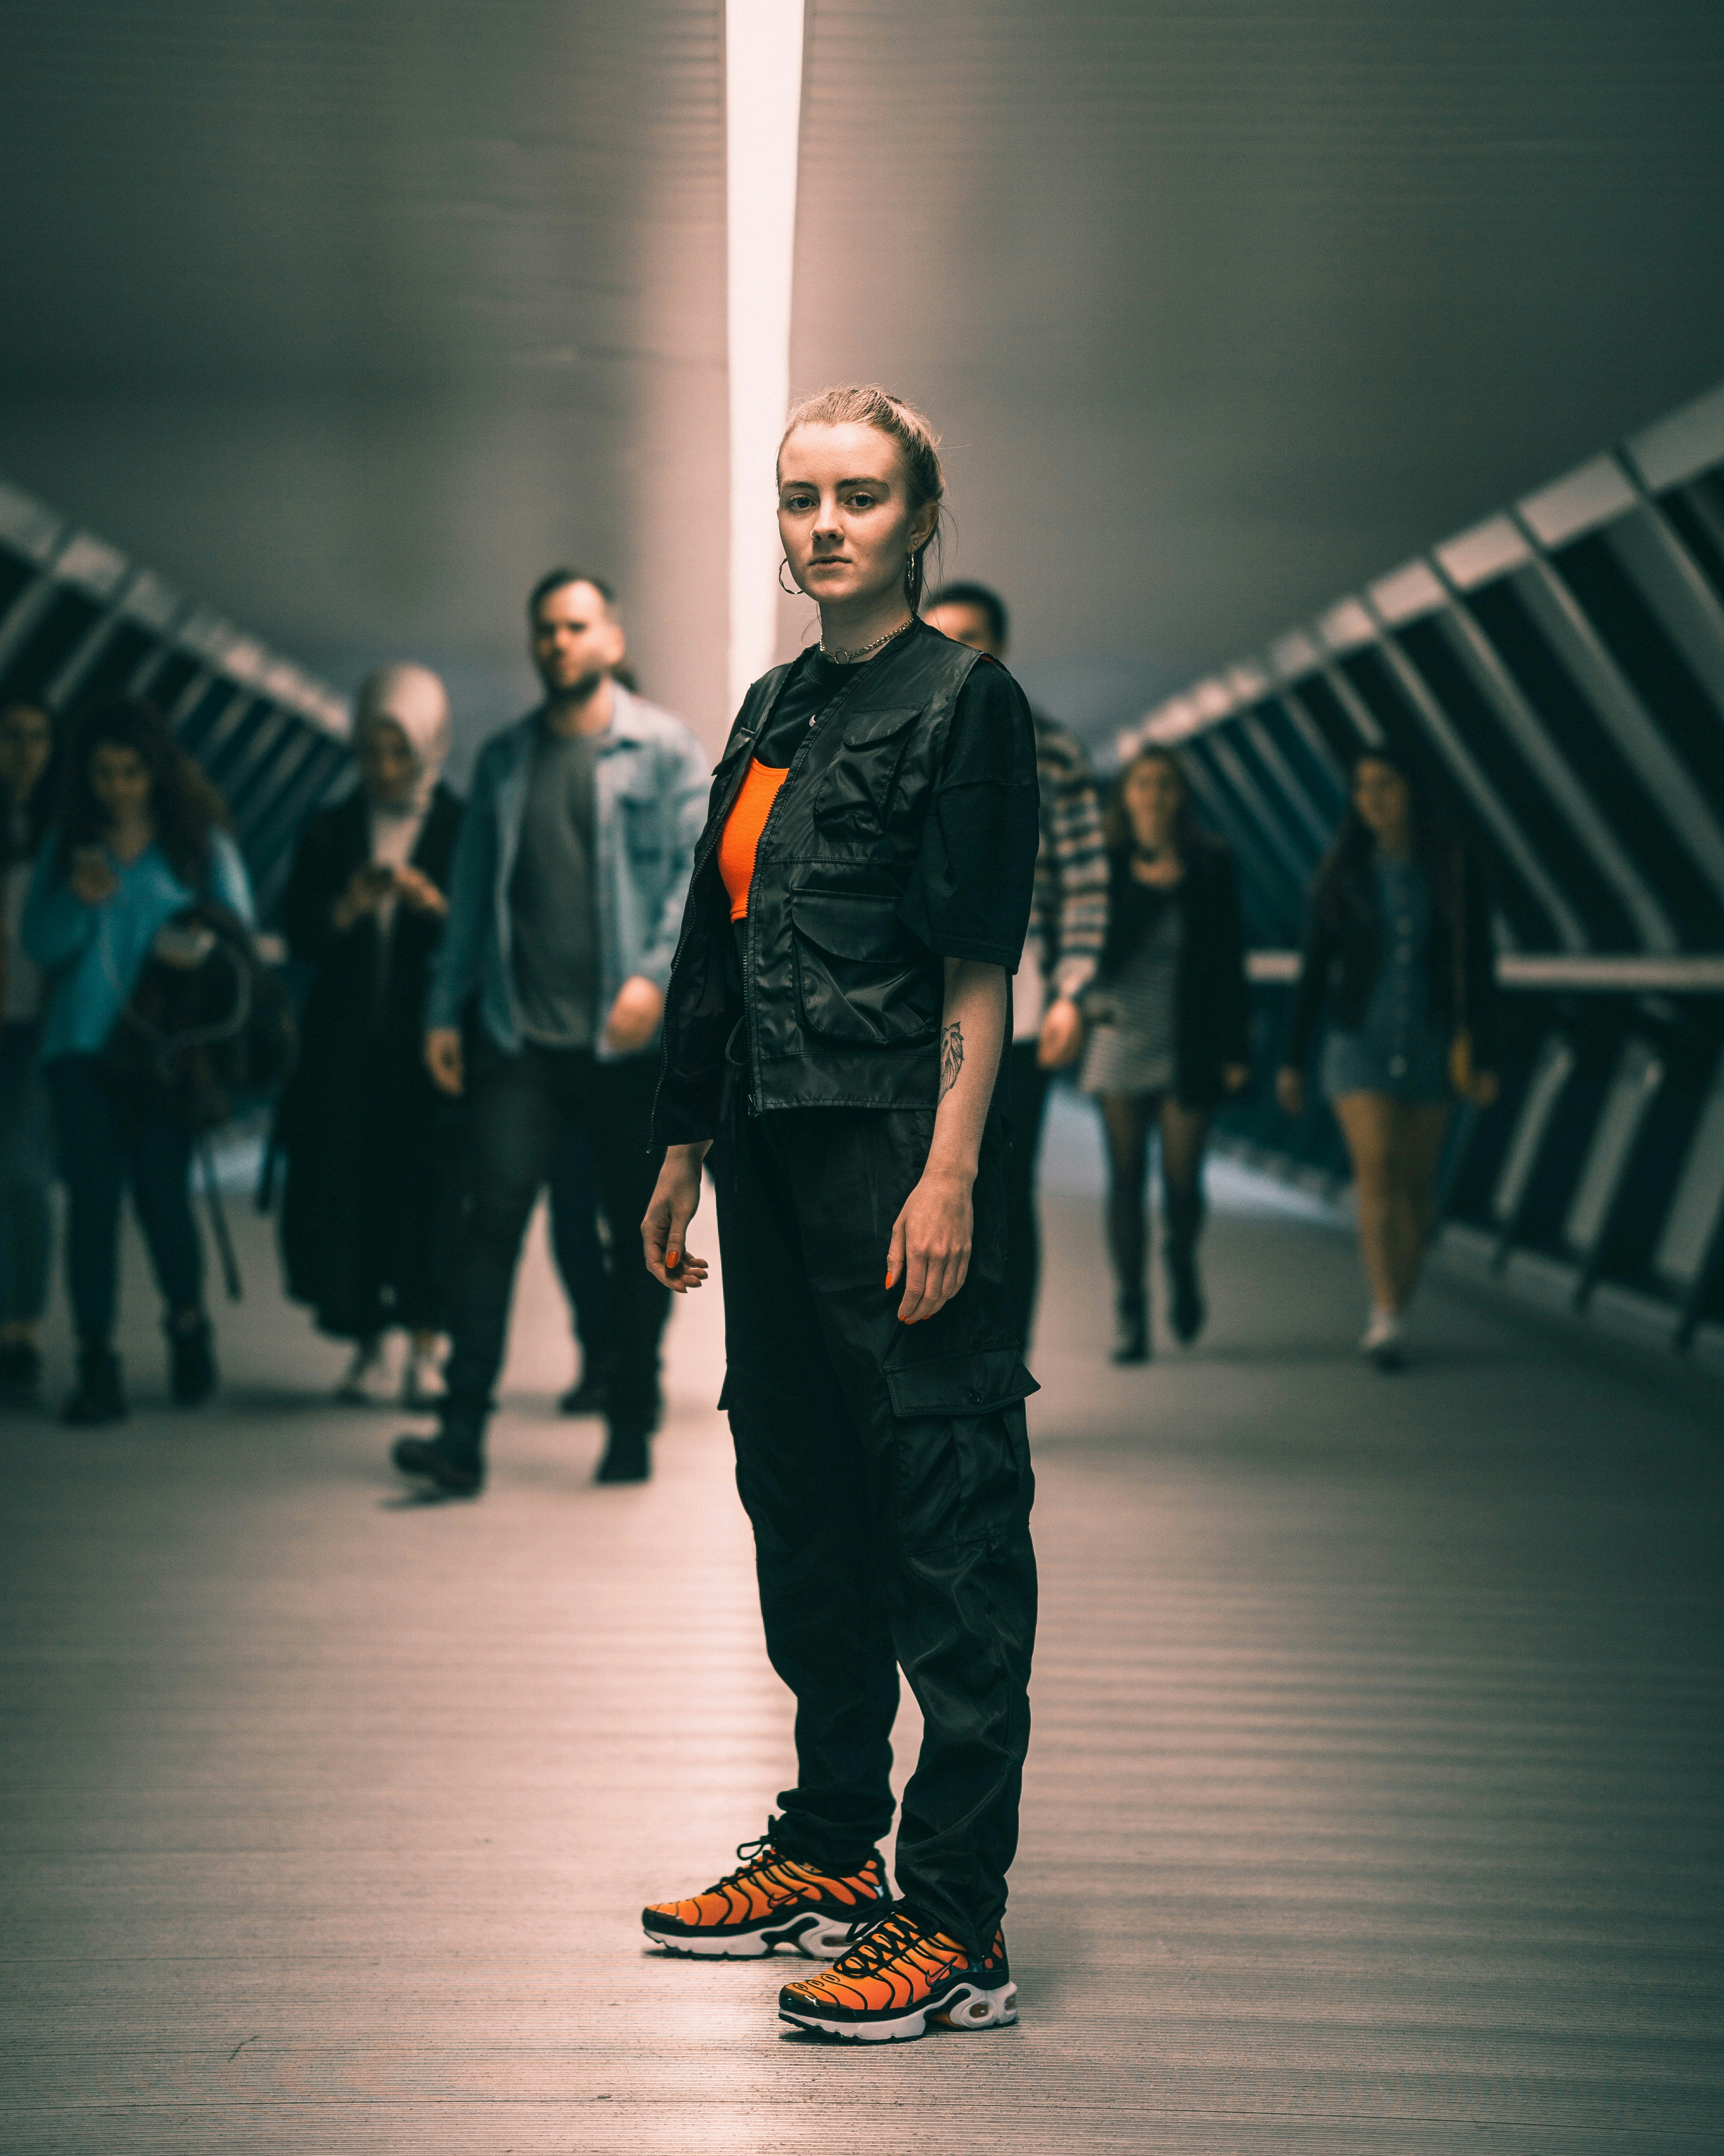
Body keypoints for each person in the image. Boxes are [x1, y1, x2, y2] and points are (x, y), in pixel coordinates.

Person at [639, 384, 1040, 2045]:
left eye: (861, 498)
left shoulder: (968, 706)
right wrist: (677, 1151)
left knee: (943, 1520)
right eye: (802, 497)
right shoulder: (772, 704)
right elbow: (712, 951)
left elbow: (976, 967)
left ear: (920, 517)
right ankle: (827, 1853)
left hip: (893, 1161)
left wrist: (950, 1173)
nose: (826, 526)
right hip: (764, 1154)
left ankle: (956, 1924)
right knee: (800, 1500)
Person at [389, 569, 707, 1492]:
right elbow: (469, 906)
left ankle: (630, 1420)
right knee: (486, 1229)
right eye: (545, 630)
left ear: (610, 639)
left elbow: (699, 882)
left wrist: (652, 978)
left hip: (626, 1051)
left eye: (576, 627)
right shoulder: (502, 763)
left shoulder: (665, 753)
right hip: (517, 1042)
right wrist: (443, 1009)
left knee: (636, 1236)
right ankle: (458, 1437)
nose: (559, 643)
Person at [23, 695, 253, 1422]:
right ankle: (96, 1359)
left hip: (162, 1056)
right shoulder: (70, 845)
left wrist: (196, 947)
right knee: (92, 1204)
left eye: (131, 772)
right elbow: (40, 941)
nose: (116, 788)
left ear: (157, 772)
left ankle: (187, 1322)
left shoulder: (196, 847)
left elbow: (236, 932)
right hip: (82, 1048)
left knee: (162, 1196)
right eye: (103, 773)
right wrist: (78, 902)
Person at [922, 582, 1106, 1348]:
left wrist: (1073, 992)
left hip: (1022, 1008)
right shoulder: (901, 745)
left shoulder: (1051, 749)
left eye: (971, 640)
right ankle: (933, 1350)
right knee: (921, 1181)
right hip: (912, 1008)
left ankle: (1001, 1361)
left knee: (1001, 1184)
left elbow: (1088, 878)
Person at [1277, 747, 1499, 1369]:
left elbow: (1479, 965)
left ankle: (1400, 1298)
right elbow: (1314, 972)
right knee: (1377, 1170)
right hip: (1359, 1043)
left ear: (1413, 792)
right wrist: (1293, 1059)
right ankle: (1387, 1313)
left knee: (1417, 1184)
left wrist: (1487, 1052)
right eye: (1363, 786)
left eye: (1386, 784)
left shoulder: (1455, 869)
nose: (1373, 797)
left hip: (1433, 1042)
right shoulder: (1343, 872)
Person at [278, 665, 462, 1405]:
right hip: (347, 1053)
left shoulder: (461, 826)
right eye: (372, 752)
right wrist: (347, 909)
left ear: (427, 746)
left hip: (429, 1053)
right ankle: (365, 1339)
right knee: (350, 1190)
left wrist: (436, 907)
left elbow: (484, 934)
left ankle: (426, 1339)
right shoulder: (329, 829)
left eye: (400, 751)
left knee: (429, 1193)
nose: (385, 769)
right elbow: (298, 932)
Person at [1079, 746, 1250, 1361]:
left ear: (1180, 796)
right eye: (1142, 784)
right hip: (1120, 1035)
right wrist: (1144, 880)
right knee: (1126, 1178)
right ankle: (1131, 1307)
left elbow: (1230, 959)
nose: (1153, 795)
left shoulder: (1212, 864)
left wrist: (1236, 1046)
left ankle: (1180, 1257)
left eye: (1165, 785)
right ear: (1126, 796)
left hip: (1189, 1040)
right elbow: (1097, 951)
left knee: (1182, 1178)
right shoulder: (1107, 865)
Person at [0, 702, 60, 1401]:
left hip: (37, 1026)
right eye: (11, 736)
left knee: (23, 1174)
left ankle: (22, 1329)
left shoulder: (64, 834)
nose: (24, 752)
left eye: (38, 737)